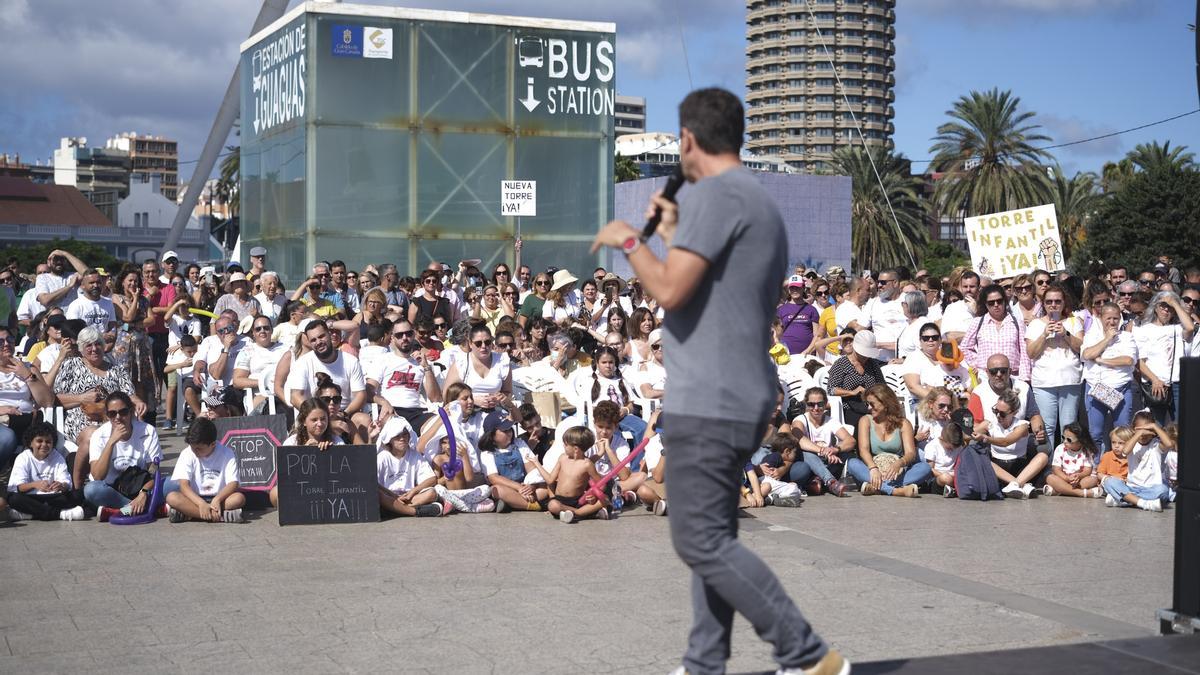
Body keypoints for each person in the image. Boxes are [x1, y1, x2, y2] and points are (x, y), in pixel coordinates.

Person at [591, 87, 846, 675]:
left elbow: (671, 291)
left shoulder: (714, 195)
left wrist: (629, 239)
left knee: (698, 539)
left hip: (712, 392)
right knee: (716, 533)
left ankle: (808, 656)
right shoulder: (755, 200)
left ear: (686, 141)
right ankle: (705, 663)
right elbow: (711, 289)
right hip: (742, 385)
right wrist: (677, 234)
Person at [54, 327, 147, 486]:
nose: (94, 348)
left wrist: (138, 401)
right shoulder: (71, 365)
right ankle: (77, 486)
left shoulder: (115, 369)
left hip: (113, 417)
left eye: (98, 344)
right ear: (81, 349)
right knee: (93, 436)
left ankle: (128, 481)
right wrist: (82, 398)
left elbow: (129, 393)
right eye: (88, 345)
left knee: (136, 429)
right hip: (81, 418)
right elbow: (55, 398)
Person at [84, 391, 162, 519]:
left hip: (142, 488)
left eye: (123, 412)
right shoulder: (99, 435)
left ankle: (120, 511)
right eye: (112, 413)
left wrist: (143, 493)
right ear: (107, 415)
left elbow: (154, 472)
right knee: (91, 490)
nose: (118, 417)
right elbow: (97, 476)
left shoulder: (148, 431)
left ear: (131, 412)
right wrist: (111, 442)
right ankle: (142, 509)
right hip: (112, 491)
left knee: (172, 484)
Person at [285, 320, 371, 434]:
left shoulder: (351, 361)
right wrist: (318, 415)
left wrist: (344, 414)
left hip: (344, 412)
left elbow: (361, 395)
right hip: (315, 415)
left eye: (321, 336)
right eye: (313, 340)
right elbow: (295, 397)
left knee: (364, 420)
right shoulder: (302, 363)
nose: (318, 342)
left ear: (329, 335)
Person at [1025, 283, 1083, 450]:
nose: (1053, 305)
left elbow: (1081, 348)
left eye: (1057, 301)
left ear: (1064, 303)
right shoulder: (1035, 324)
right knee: (1047, 427)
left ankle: (1069, 465)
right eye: (1049, 301)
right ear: (1043, 304)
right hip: (1044, 382)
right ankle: (1048, 467)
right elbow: (1031, 353)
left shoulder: (1073, 322)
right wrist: (1044, 334)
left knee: (1069, 427)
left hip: (1070, 380)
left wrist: (1065, 334)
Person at [846, 384, 928, 497]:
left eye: (872, 404)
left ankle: (877, 488)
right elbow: (863, 450)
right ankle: (896, 491)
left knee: (925, 467)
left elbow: (910, 453)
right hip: (873, 471)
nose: (868, 408)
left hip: (896, 473)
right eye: (867, 404)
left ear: (885, 403)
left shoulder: (903, 423)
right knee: (852, 463)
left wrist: (899, 463)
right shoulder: (865, 420)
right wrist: (873, 468)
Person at [1081, 302, 1138, 451]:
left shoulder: (1127, 337)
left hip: (1122, 389)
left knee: (1122, 433)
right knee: (1095, 433)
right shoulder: (1091, 335)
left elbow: (1128, 360)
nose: (1112, 322)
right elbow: (1087, 354)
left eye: (1116, 318)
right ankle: (1096, 467)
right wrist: (1106, 339)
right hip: (1097, 388)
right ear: (1100, 318)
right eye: (1108, 318)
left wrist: (1101, 360)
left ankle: (1122, 469)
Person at [165, 418, 244, 523]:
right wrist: (201, 503)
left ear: (213, 444)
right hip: (194, 499)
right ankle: (219, 516)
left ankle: (189, 515)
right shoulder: (187, 453)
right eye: (193, 448)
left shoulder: (227, 453)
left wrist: (217, 499)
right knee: (172, 497)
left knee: (239, 498)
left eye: (199, 449)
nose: (195, 451)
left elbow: (233, 483)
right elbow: (184, 485)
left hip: (220, 498)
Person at [367, 318, 441, 431]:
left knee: (441, 425)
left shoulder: (423, 363)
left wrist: (426, 367)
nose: (405, 338)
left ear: (414, 334)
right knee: (397, 430)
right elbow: (368, 392)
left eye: (408, 333)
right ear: (392, 337)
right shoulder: (382, 360)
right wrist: (384, 402)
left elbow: (435, 398)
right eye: (399, 335)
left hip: (416, 412)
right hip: (392, 410)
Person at [0, 325, 54, 476]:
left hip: (26, 422)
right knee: (6, 437)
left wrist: (27, 375)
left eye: (9, 339)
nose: (6, 344)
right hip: (2, 423)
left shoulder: (28, 367)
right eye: (0, 342)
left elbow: (48, 401)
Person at [1133, 291, 1193, 424]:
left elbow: (1189, 327)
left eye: (1169, 308)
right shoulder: (1144, 330)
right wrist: (1155, 379)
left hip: (1177, 383)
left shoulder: (1177, 328)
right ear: (1155, 307)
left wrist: (1175, 304)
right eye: (1162, 306)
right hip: (1156, 384)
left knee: (1179, 427)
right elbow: (1139, 361)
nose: (1166, 310)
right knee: (1157, 426)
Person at [5, 422, 85, 521]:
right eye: (39, 441)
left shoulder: (57, 457)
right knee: (13, 498)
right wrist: (35, 485)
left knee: (78, 495)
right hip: (31, 497)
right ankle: (60, 514)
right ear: (30, 443)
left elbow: (66, 483)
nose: (44, 445)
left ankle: (31, 514)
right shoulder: (23, 458)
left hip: (53, 497)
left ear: (52, 444)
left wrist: (61, 485)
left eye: (48, 442)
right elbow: (18, 487)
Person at [976, 388, 1045, 499]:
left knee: (1043, 456)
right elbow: (969, 435)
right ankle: (1019, 484)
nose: (998, 416)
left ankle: (1016, 484)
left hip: (1019, 466)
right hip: (998, 468)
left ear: (1014, 412)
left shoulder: (1022, 426)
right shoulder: (990, 424)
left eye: (1002, 414)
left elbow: (1006, 442)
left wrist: (986, 438)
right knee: (980, 457)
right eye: (995, 411)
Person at [785, 387, 852, 497]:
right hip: (807, 462)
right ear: (806, 405)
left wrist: (835, 449)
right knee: (806, 453)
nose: (816, 408)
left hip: (827, 462)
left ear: (825, 404)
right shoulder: (800, 419)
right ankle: (831, 482)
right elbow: (799, 439)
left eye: (820, 404)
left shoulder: (831, 421)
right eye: (811, 404)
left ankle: (817, 481)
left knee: (844, 454)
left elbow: (850, 440)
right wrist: (822, 450)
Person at [478, 410, 550, 513]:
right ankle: (533, 505)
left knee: (544, 488)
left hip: (525, 485)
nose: (509, 433)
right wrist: (518, 488)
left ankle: (513, 503)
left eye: (510, 429)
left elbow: (532, 468)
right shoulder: (487, 453)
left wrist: (531, 486)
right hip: (508, 488)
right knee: (496, 490)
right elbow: (494, 478)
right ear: (492, 435)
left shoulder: (519, 443)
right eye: (504, 430)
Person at [1101, 412, 1172, 511]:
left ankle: (1125, 501)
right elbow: (1125, 451)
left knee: (1163, 491)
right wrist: (1138, 433)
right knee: (1109, 482)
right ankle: (1143, 503)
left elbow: (1169, 444)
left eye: (1147, 430)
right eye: (1140, 429)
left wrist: (1154, 426)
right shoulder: (1132, 443)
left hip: (1151, 489)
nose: (1143, 433)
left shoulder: (1156, 445)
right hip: (1131, 488)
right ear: (1133, 429)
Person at [375, 416, 444, 517]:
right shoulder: (382, 457)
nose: (402, 438)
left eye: (405, 434)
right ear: (390, 438)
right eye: (397, 436)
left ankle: (395, 510)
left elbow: (432, 479)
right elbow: (373, 483)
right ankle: (415, 511)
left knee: (432, 493)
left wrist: (413, 491)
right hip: (389, 496)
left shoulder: (415, 455)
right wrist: (393, 496)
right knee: (378, 495)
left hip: (409, 497)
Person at [961, 284, 1030, 381]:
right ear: (985, 304)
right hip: (986, 377)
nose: (996, 305)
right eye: (991, 303)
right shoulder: (978, 322)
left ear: (1005, 301)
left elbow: (1024, 352)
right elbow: (965, 347)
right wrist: (977, 364)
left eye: (999, 301)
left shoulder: (1017, 323)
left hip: (1012, 376)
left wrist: (1025, 378)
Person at [441, 324, 512, 413]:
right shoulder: (461, 363)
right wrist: (471, 399)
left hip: (495, 411)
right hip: (467, 411)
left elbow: (507, 391)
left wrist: (498, 399)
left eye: (487, 342)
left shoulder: (502, 361)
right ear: (470, 344)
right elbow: (446, 395)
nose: (483, 346)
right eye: (478, 343)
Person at [545, 425, 608, 523]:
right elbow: (550, 480)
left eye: (566, 445)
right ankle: (582, 513)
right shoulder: (562, 458)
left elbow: (602, 484)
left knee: (605, 500)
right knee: (553, 505)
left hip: (578, 501)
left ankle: (571, 513)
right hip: (559, 500)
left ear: (575, 449)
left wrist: (594, 495)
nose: (563, 446)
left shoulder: (587, 464)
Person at [826, 330, 887, 428]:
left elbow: (883, 386)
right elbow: (831, 389)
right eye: (862, 353)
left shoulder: (873, 364)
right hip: (848, 409)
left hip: (872, 407)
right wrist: (852, 392)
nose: (865, 356)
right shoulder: (841, 364)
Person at [1042, 422, 1102, 498]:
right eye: (1063, 437)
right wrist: (1066, 478)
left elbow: (1087, 470)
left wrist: (1078, 476)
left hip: (1079, 480)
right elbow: (1056, 469)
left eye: (1069, 440)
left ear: (1080, 441)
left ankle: (1061, 490)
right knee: (1050, 478)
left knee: (1093, 479)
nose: (1065, 441)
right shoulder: (1060, 448)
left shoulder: (1086, 451)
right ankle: (1081, 493)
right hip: (1063, 478)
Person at [862, 267, 907, 361]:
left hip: (904, 360)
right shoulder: (873, 303)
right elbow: (860, 328)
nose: (879, 285)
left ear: (895, 283)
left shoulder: (908, 301)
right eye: (878, 282)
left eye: (883, 282)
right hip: (878, 360)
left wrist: (881, 345)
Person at [926, 410, 971, 498]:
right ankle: (954, 489)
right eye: (949, 448)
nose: (952, 450)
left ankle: (954, 489)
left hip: (954, 475)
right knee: (946, 478)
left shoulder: (957, 447)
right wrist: (945, 475)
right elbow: (930, 469)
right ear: (942, 438)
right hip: (938, 478)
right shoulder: (932, 446)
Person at [751, 438, 806, 507]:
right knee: (794, 488)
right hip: (765, 480)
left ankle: (770, 498)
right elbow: (767, 466)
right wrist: (770, 471)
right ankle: (776, 498)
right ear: (787, 451)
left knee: (791, 486)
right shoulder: (776, 456)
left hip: (766, 483)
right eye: (794, 452)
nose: (795, 455)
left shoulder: (775, 457)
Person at [777, 275, 822, 355]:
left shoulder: (811, 309)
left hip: (807, 355)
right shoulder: (781, 310)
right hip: (785, 355)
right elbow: (776, 334)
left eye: (797, 287)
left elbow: (817, 335)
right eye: (792, 288)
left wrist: (808, 350)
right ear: (788, 290)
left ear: (803, 288)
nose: (795, 290)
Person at [65, 268, 117, 334]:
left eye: (98, 282)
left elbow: (113, 328)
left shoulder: (109, 303)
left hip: (106, 343)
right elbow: (72, 331)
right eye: (91, 283)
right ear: (83, 285)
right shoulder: (76, 305)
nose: (95, 285)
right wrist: (99, 339)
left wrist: (109, 341)